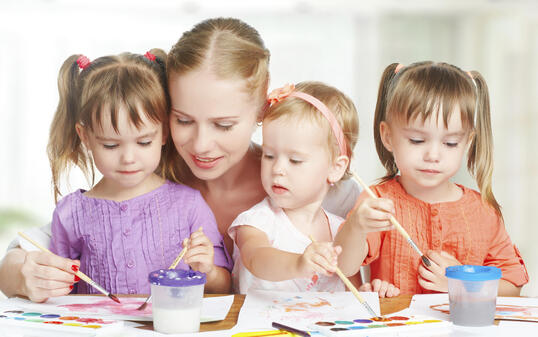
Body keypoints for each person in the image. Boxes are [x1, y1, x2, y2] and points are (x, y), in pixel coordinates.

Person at [0, 17, 372, 300]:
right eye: (183, 120)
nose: (201, 144)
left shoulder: (317, 187)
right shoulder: (146, 174)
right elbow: (26, 252)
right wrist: (22, 273)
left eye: (224, 124)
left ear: (261, 108)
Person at [23, 50, 231, 301]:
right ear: (85, 136)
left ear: (164, 132)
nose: (128, 158)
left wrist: (206, 269)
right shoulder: (70, 213)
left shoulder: (189, 205)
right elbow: (59, 296)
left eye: (144, 142)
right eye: (111, 145)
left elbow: (224, 289)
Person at [335, 62, 529, 296]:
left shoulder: (483, 211)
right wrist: (357, 226)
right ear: (387, 136)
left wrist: (461, 284)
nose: (433, 155)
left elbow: (513, 286)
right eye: (417, 140)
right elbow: (344, 267)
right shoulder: (377, 202)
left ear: (467, 142)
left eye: (450, 143)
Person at [228, 82, 358, 293]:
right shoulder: (257, 222)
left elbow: (354, 291)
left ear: (335, 168)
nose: (278, 168)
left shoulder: (340, 231)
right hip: (262, 325)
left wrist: (374, 290)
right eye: (269, 155)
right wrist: (299, 264)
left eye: (295, 160)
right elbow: (256, 258)